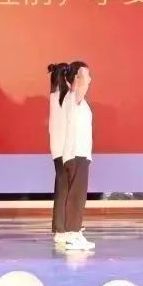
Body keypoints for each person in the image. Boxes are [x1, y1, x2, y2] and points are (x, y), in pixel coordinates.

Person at [58, 61, 95, 252]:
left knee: (77, 196)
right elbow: (81, 87)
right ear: (77, 79)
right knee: (76, 197)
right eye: (86, 75)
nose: (90, 79)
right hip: (76, 153)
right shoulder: (74, 97)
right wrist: (80, 79)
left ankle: (75, 233)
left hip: (79, 154)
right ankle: (73, 235)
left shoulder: (73, 99)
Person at [47, 62, 69, 243]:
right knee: (64, 187)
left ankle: (60, 225)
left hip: (58, 147)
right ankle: (61, 227)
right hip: (64, 148)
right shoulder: (64, 97)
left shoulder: (55, 96)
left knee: (62, 186)